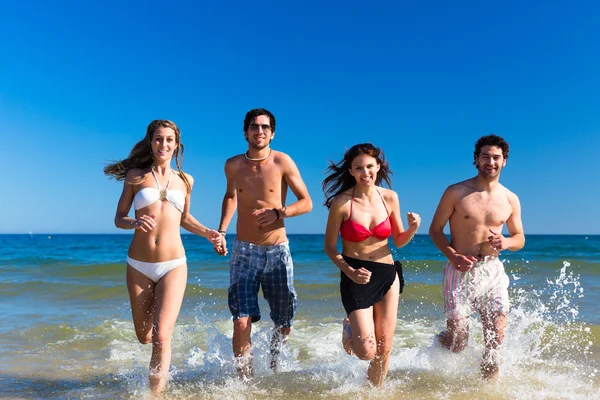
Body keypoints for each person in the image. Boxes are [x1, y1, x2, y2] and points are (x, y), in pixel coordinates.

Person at [104, 120, 223, 394]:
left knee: (161, 336)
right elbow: (118, 218)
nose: (164, 145)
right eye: (159, 139)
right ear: (151, 142)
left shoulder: (186, 180)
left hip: (173, 264)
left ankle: (156, 395)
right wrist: (133, 223)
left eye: (169, 140)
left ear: (176, 145)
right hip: (139, 264)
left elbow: (186, 219)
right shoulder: (135, 176)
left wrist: (209, 233)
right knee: (144, 336)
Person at [214, 108, 312, 380]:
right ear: (245, 132)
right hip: (244, 250)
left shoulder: (282, 161)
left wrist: (279, 212)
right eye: (255, 127)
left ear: (272, 133)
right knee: (241, 318)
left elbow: (307, 202)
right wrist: (222, 230)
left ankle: (274, 366)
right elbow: (230, 196)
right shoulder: (232, 165)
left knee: (283, 321)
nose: (260, 131)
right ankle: (245, 383)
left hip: (278, 251)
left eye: (265, 127)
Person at [322, 143, 421, 387]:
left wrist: (412, 229)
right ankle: (348, 326)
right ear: (351, 171)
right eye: (359, 168)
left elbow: (398, 239)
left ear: (378, 167)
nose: (365, 172)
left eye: (369, 166)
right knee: (366, 351)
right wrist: (350, 272)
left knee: (384, 346)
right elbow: (330, 248)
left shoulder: (390, 198)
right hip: (356, 274)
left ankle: (373, 392)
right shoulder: (342, 203)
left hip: (387, 273)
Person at [429, 134, 525, 378]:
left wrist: (506, 242)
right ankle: (441, 339)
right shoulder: (456, 192)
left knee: (496, 340)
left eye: (496, 157)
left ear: (504, 161)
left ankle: (486, 390)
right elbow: (435, 230)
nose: (490, 162)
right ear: (476, 160)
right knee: (458, 342)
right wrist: (452, 255)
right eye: (485, 157)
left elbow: (519, 238)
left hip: (492, 270)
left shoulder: (510, 198)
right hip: (458, 268)